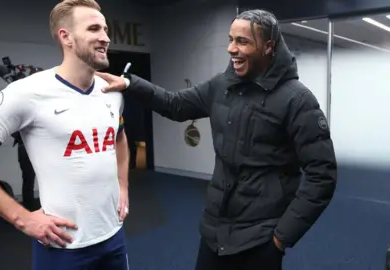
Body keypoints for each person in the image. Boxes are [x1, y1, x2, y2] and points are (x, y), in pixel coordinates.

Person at [97, 9, 337, 270]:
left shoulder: (297, 100)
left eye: (242, 41)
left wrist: (281, 238)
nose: (231, 49)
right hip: (215, 230)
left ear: (269, 47)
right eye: (231, 39)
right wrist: (131, 84)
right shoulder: (222, 85)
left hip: (260, 239)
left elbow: (322, 175)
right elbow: (175, 105)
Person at [0, 0, 130, 269]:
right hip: (64, 246)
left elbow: (119, 138)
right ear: (66, 37)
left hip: (113, 236)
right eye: (93, 29)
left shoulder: (110, 90)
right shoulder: (27, 93)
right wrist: (22, 218)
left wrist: (122, 186)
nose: (105, 38)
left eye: (105, 29)